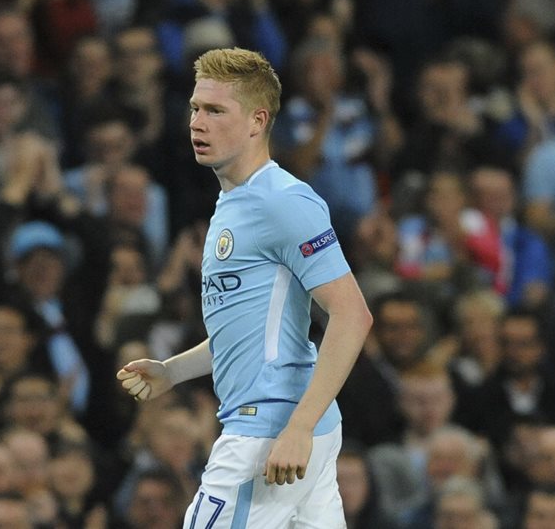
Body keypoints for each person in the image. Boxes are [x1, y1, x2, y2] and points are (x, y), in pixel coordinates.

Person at [116, 47, 373, 526]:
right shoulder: (234, 202)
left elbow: (352, 316)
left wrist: (296, 426)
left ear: (257, 121)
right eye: (195, 108)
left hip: (270, 433)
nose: (197, 122)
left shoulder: (283, 201)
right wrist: (172, 371)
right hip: (296, 428)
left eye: (215, 111)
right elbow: (248, 333)